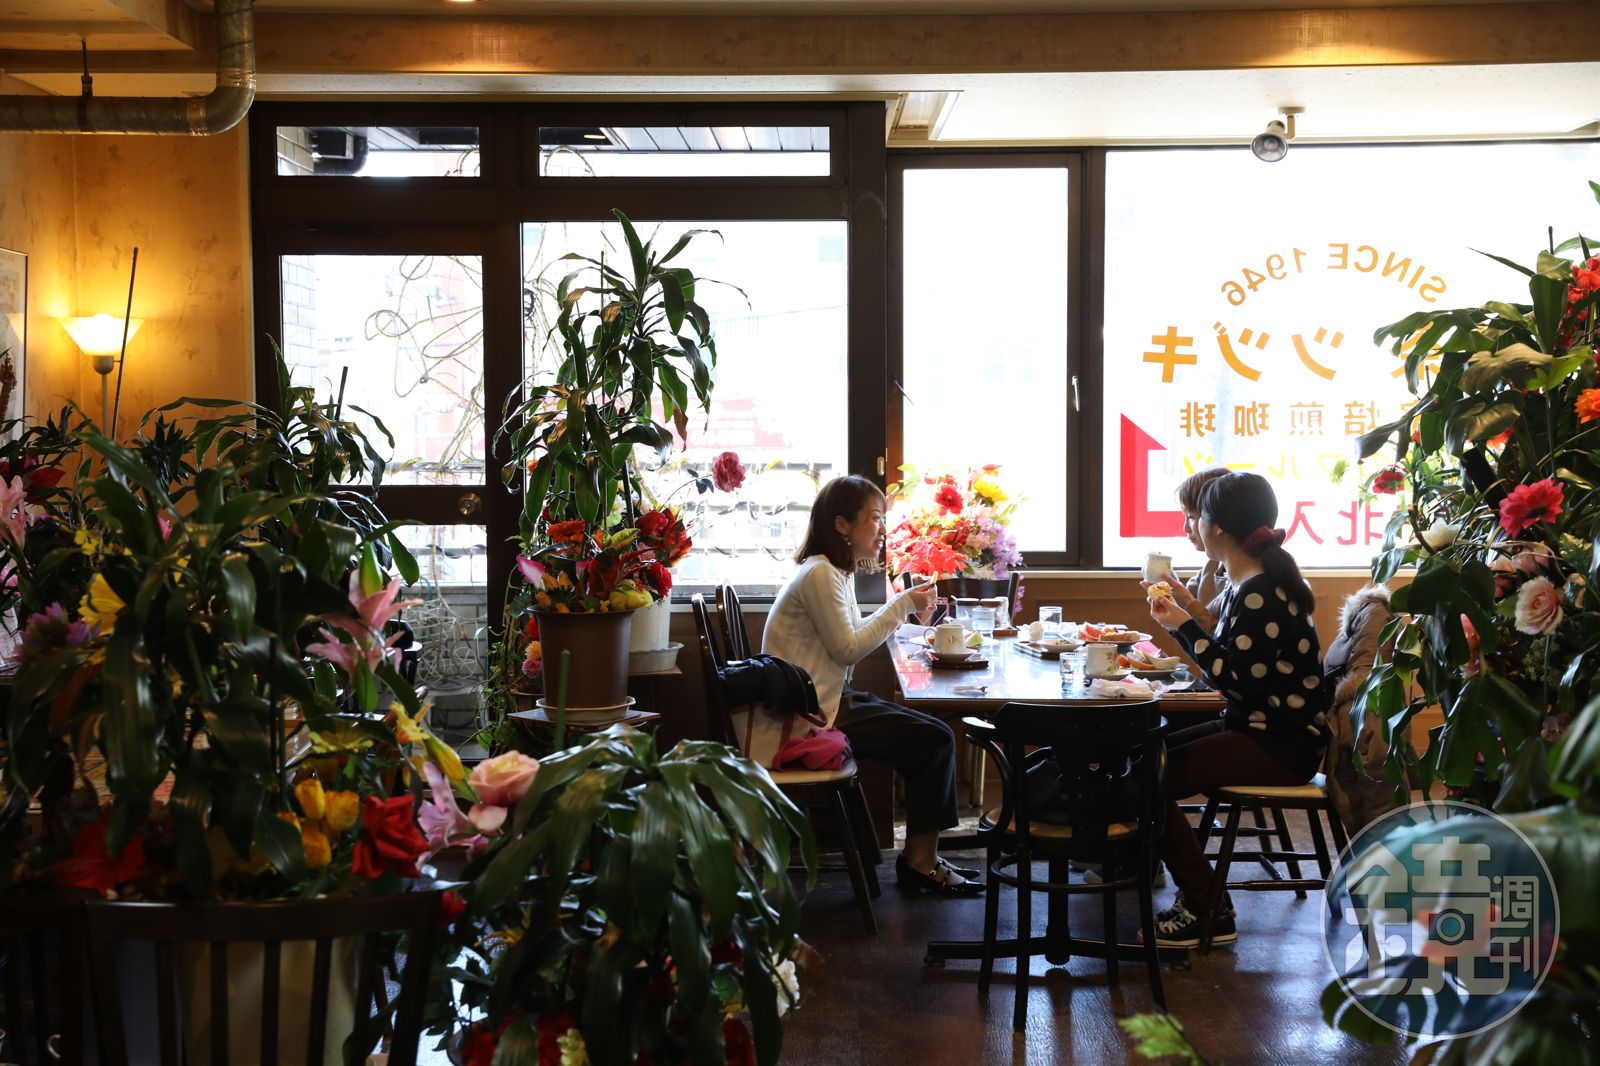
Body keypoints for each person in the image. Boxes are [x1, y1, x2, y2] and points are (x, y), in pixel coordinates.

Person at [762, 474, 982, 895]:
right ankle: (921, 861)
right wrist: (901, 605)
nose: (883, 529)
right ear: (841, 524)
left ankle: (922, 856)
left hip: (823, 701)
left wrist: (901, 613)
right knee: (935, 739)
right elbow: (847, 649)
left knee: (931, 734)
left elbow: (850, 635)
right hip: (811, 716)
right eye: (875, 518)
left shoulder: (833, 572)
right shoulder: (820, 574)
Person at [1144, 472, 1331, 947]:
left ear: (1219, 527)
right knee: (1144, 756)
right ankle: (1196, 894)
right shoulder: (1247, 583)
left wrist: (1183, 625)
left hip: (1281, 745)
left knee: (1148, 778)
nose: (1193, 526)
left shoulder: (1259, 591)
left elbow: (1233, 680)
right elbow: (1235, 672)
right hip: (1261, 731)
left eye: (1197, 517)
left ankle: (1206, 907)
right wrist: (1183, 619)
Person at [1142, 466, 1231, 632]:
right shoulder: (1212, 564)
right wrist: (1168, 595)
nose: (1185, 528)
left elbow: (1222, 643)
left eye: (1191, 517)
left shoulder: (1246, 577)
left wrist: (1187, 602)